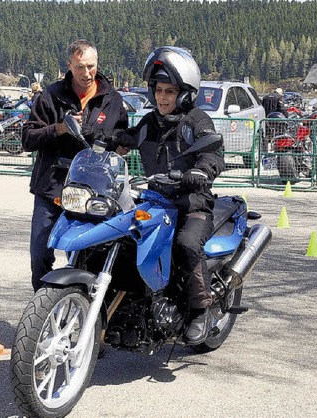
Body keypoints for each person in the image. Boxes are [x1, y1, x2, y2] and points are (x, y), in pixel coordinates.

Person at [110, 46, 225, 345]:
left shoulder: (197, 121)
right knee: (122, 237)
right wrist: (109, 141)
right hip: (156, 201)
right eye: (159, 90)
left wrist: (201, 172)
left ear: (185, 94)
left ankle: (202, 309)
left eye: (170, 91)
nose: (162, 97)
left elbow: (213, 152)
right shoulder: (150, 122)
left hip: (191, 204)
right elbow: (130, 138)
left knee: (187, 244)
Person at [21, 39, 129, 292]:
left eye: (91, 66)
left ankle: (84, 314)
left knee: (88, 257)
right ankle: (42, 308)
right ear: (69, 65)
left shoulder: (112, 99)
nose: (87, 73)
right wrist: (59, 128)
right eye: (80, 67)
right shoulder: (50, 95)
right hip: (53, 188)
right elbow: (27, 139)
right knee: (40, 256)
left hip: (95, 192)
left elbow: (121, 137)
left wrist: (123, 146)